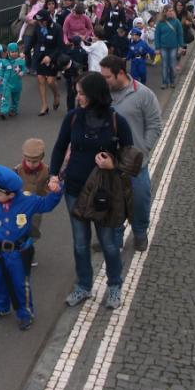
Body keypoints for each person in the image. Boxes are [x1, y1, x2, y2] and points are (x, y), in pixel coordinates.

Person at [48, 72, 134, 310]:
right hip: (74, 189)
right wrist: (54, 174)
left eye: (82, 93)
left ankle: (114, 286)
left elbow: (130, 157)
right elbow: (59, 147)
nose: (78, 96)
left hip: (103, 193)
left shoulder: (117, 121)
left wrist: (113, 164)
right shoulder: (73, 118)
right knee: (79, 242)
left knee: (108, 243)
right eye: (77, 92)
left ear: (95, 95)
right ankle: (84, 286)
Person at [0, 164, 64, 331]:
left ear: (11, 194)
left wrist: (56, 191)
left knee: (20, 284)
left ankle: (25, 314)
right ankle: (2, 307)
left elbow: (47, 205)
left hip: (18, 253)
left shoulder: (28, 200)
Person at [99, 55, 162, 253]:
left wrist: (143, 149)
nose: (104, 81)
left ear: (121, 74)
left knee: (140, 199)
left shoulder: (144, 94)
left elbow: (154, 125)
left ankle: (140, 233)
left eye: (107, 77)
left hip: (135, 162)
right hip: (108, 161)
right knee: (111, 201)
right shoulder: (102, 95)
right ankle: (115, 238)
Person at [14, 138, 50, 248]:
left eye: (35, 161)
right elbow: (9, 185)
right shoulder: (17, 170)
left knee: (33, 230)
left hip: (36, 207)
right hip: (20, 206)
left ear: (41, 158)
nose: (31, 164)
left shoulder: (47, 170)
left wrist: (47, 194)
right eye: (28, 161)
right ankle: (20, 249)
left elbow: (49, 187)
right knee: (20, 229)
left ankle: (29, 250)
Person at [26, 10, 62, 117]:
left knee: (50, 81)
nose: (39, 23)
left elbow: (60, 47)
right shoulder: (38, 27)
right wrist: (25, 52)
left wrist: (50, 57)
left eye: (41, 21)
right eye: (38, 21)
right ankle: (44, 105)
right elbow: (33, 40)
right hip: (40, 56)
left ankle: (56, 95)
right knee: (40, 79)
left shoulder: (57, 28)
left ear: (47, 20)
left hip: (52, 57)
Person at [154, 7, 184, 89]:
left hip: (173, 47)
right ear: (164, 13)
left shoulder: (176, 22)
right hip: (163, 47)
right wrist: (157, 47)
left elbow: (180, 34)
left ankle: (172, 81)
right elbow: (157, 36)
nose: (171, 12)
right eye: (169, 11)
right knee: (164, 65)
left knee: (172, 65)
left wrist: (181, 46)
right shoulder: (160, 23)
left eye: (172, 11)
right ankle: (164, 82)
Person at [0, 42, 27, 120]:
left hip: (17, 83)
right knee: (5, 96)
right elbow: (1, 70)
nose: (14, 53)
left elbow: (24, 69)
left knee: (15, 98)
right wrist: (0, 78)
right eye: (12, 52)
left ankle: (14, 110)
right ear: (8, 52)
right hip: (7, 83)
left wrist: (22, 72)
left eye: (15, 52)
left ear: (18, 51)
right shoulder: (4, 61)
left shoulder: (20, 61)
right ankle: (3, 111)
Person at [58, 36, 88, 111]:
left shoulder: (69, 52)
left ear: (73, 44)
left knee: (70, 95)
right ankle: (79, 108)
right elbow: (85, 63)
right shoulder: (84, 52)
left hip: (70, 75)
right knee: (80, 92)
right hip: (80, 75)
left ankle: (70, 110)